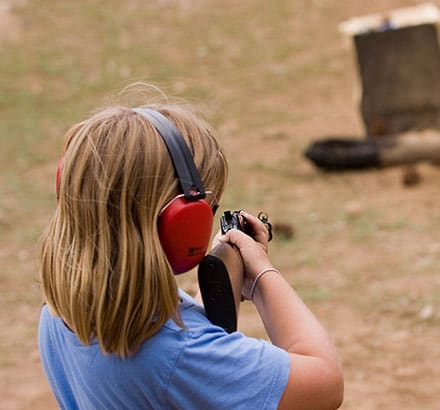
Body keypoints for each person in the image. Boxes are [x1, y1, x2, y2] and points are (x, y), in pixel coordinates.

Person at [38, 103, 344, 409]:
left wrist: (224, 284)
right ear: (181, 223)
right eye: (206, 211)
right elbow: (326, 383)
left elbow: (186, 365)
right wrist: (262, 275)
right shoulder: (178, 355)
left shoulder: (56, 316)